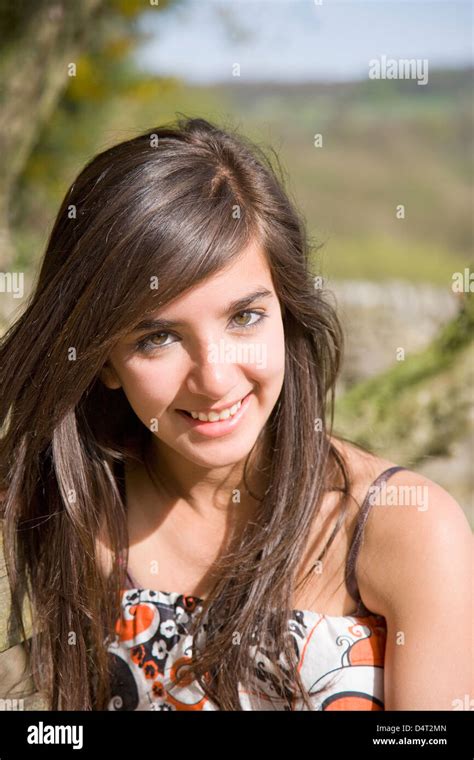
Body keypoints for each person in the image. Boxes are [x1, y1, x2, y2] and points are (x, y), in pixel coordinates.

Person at [0, 117, 471, 711]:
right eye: (158, 338)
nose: (215, 378)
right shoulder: (67, 509)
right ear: (104, 362)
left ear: (287, 311)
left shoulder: (405, 529)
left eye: (243, 317)